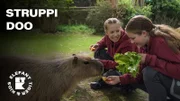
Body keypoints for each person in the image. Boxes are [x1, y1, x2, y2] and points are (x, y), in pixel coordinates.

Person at [105, 15, 180, 101]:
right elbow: (139, 74)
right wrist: (119, 79)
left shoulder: (160, 42)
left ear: (144, 33)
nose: (132, 42)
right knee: (139, 77)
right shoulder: (144, 45)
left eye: (133, 38)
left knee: (149, 73)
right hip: (173, 83)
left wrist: (149, 59)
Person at [89, 18, 138, 91]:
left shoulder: (128, 42)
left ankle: (103, 83)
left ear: (120, 28)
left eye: (117, 31)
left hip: (126, 70)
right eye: (112, 32)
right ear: (106, 32)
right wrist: (97, 45)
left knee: (110, 74)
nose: (115, 34)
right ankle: (106, 71)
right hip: (115, 60)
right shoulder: (107, 37)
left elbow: (120, 65)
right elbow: (103, 42)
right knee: (98, 51)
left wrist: (101, 62)